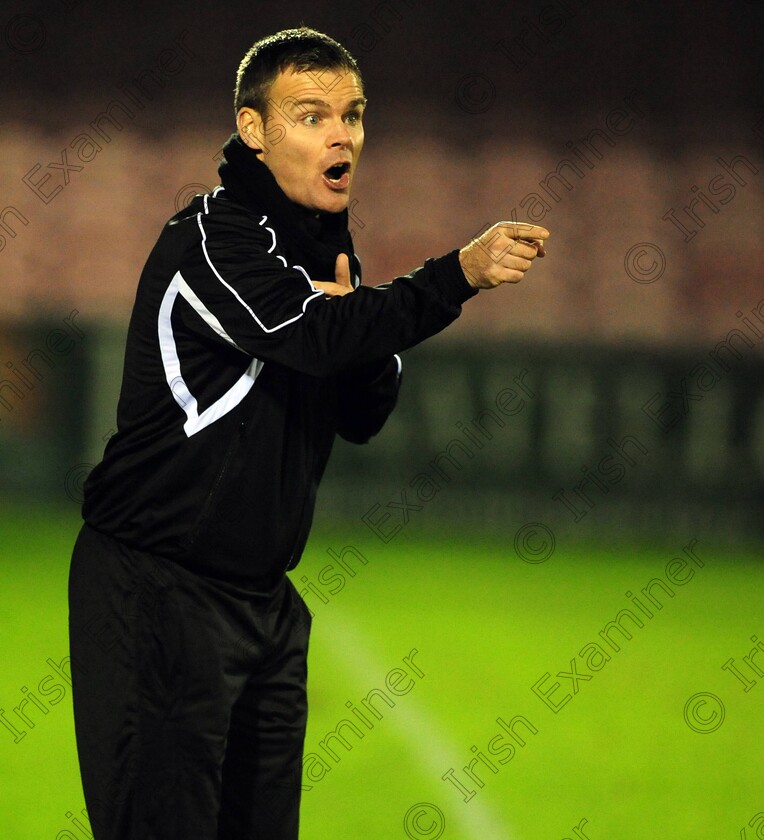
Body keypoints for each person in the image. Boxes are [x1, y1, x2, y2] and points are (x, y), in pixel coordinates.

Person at [67, 25, 549, 840]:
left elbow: (364, 412)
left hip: (264, 606)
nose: (342, 134)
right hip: (160, 589)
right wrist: (454, 275)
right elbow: (312, 337)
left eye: (353, 115)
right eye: (311, 114)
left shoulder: (330, 255)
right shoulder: (214, 241)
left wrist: (358, 324)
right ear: (254, 131)